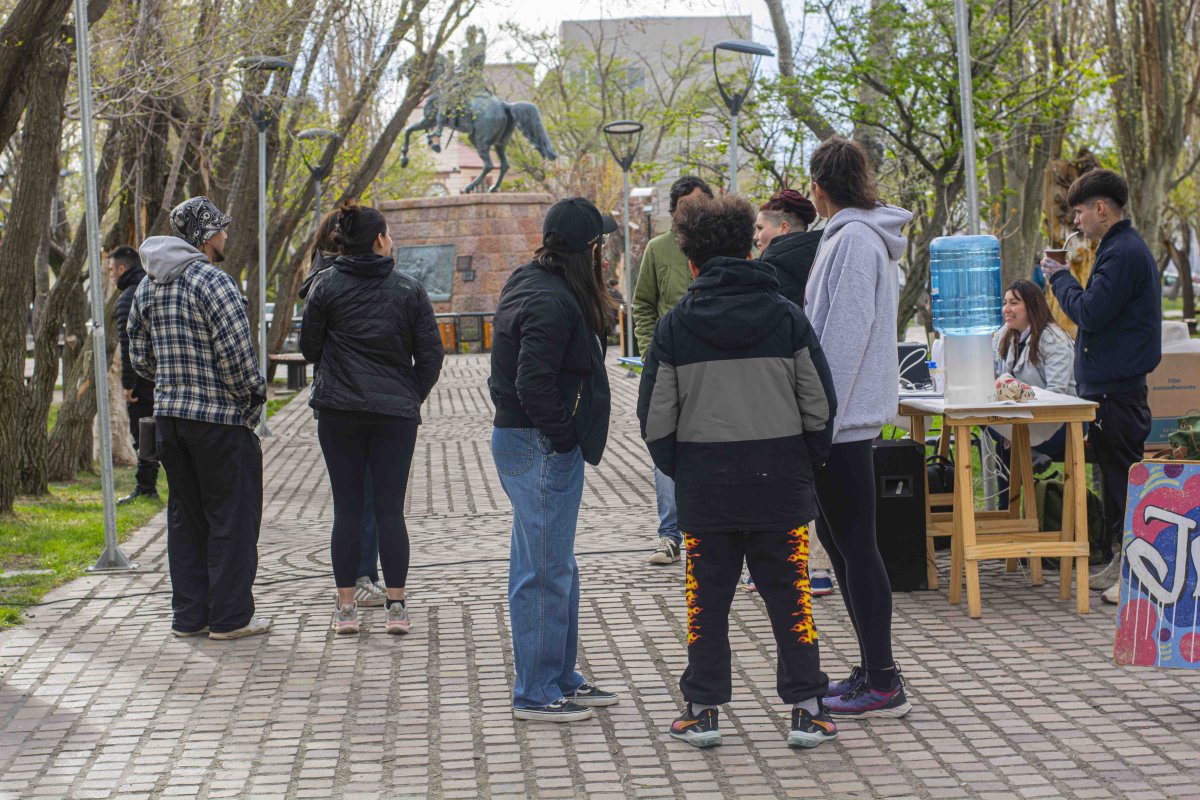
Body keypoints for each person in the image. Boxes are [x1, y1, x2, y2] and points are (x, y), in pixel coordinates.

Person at [638, 194, 840, 749]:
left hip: (706, 491)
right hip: (781, 487)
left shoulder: (675, 327)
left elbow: (656, 420)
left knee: (705, 604)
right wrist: (803, 461)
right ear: (750, 249)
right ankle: (808, 710)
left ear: (691, 260)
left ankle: (702, 712)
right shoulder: (787, 317)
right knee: (792, 598)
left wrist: (684, 468)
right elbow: (819, 406)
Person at [489, 196, 620, 722]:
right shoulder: (550, 298)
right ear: (587, 250)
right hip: (538, 444)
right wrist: (564, 438)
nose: (605, 256)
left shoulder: (536, 282)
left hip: (532, 442)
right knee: (542, 572)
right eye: (600, 246)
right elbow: (531, 381)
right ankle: (536, 692)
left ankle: (560, 677)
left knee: (553, 566)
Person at [804, 136, 914, 718]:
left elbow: (842, 340)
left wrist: (816, 420)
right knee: (844, 546)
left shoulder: (853, 241)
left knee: (856, 548)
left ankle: (884, 680)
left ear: (820, 187)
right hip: (842, 417)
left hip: (840, 420)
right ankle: (873, 669)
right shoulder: (853, 237)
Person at [128, 196, 271, 640]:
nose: (226, 235)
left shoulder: (148, 286)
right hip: (219, 421)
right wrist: (253, 397)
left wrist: (173, 380)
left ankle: (190, 617)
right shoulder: (214, 282)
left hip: (170, 420)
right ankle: (230, 618)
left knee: (185, 520)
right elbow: (237, 358)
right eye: (221, 228)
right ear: (207, 236)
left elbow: (140, 357)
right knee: (232, 519)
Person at [301, 201, 445, 636]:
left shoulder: (325, 286)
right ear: (380, 240)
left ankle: (346, 609)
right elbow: (431, 355)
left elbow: (310, 348)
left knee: (347, 510)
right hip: (393, 418)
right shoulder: (409, 288)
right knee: (389, 511)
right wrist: (408, 396)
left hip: (338, 413)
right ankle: (396, 607)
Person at [1041, 168, 1161, 593]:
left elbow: (1090, 312)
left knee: (1123, 480)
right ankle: (1119, 562)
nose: (1076, 222)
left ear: (1101, 209)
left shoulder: (1123, 252)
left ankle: (1136, 575)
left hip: (1117, 389)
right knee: (1112, 480)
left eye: (1079, 213)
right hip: (1108, 387)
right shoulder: (1116, 249)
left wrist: (1059, 278)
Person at [299, 207, 388, 610]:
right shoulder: (337, 281)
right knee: (363, 498)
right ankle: (361, 578)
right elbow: (313, 346)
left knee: (359, 498)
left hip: (339, 402)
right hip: (357, 404)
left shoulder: (322, 278)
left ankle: (360, 578)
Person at [632, 175, 714, 566]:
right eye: (686, 205)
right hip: (669, 367)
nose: (693, 211)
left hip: (714, 367)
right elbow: (643, 305)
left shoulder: (721, 246)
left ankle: (712, 531)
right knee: (664, 444)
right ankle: (670, 535)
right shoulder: (657, 248)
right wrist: (651, 353)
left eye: (700, 203)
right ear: (674, 210)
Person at [988, 279, 1077, 507]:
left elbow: (1057, 394)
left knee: (1005, 442)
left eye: (1014, 303)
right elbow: (992, 375)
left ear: (1031, 305)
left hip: (1059, 422)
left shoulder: (1054, 339)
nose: (1006, 309)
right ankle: (1006, 513)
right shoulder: (1004, 336)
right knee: (982, 419)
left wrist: (1022, 398)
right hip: (1020, 421)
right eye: (1005, 303)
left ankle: (1007, 511)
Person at [110, 245, 160, 505]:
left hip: (142, 381)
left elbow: (128, 345)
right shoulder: (152, 287)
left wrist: (128, 385)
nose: (110, 275)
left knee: (143, 432)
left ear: (122, 269)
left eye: (111, 270)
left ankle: (146, 486)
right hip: (162, 375)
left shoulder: (128, 298)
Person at [755, 188, 822, 308]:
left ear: (784, 227)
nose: (755, 237)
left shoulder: (764, 275)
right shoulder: (826, 258)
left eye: (760, 228)